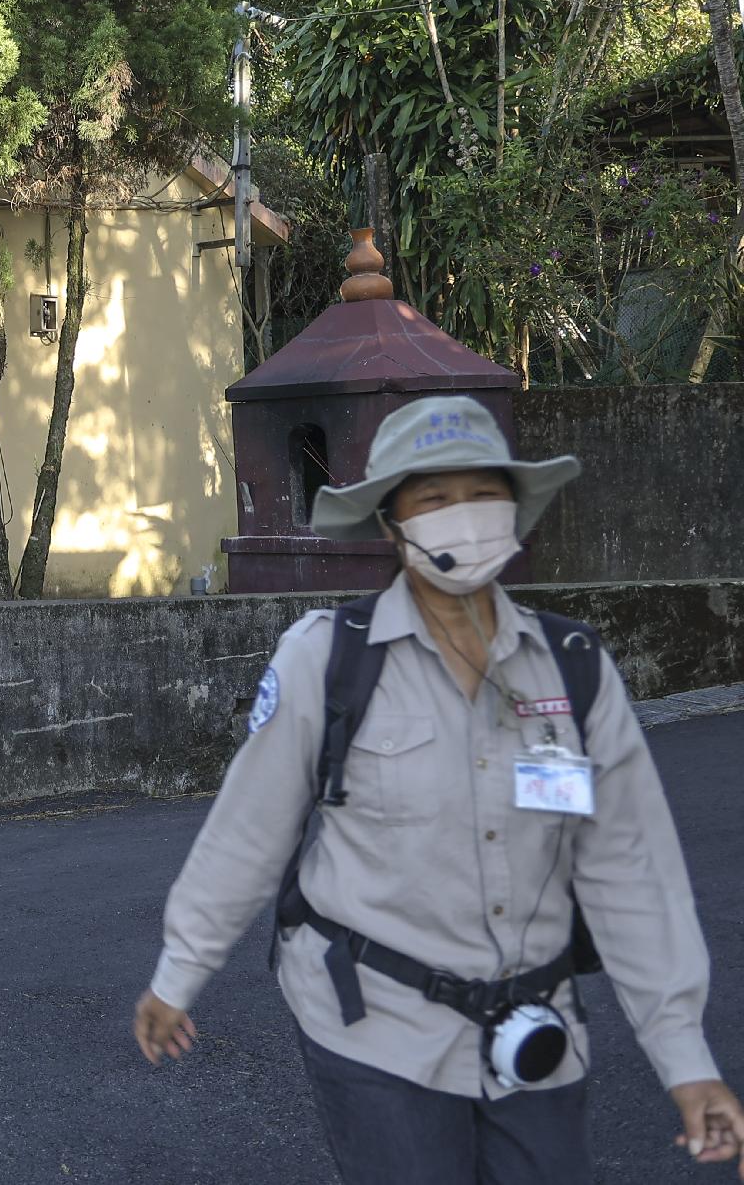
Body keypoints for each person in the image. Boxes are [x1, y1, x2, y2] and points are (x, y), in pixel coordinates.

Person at [134, 396, 744, 1182]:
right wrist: (178, 974)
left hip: (536, 1035)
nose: (465, 514)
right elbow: (247, 836)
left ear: (515, 507)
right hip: (376, 1028)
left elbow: (630, 867)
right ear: (392, 522)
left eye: (484, 492)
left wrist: (685, 1058)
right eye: (434, 497)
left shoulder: (574, 666)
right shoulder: (328, 658)